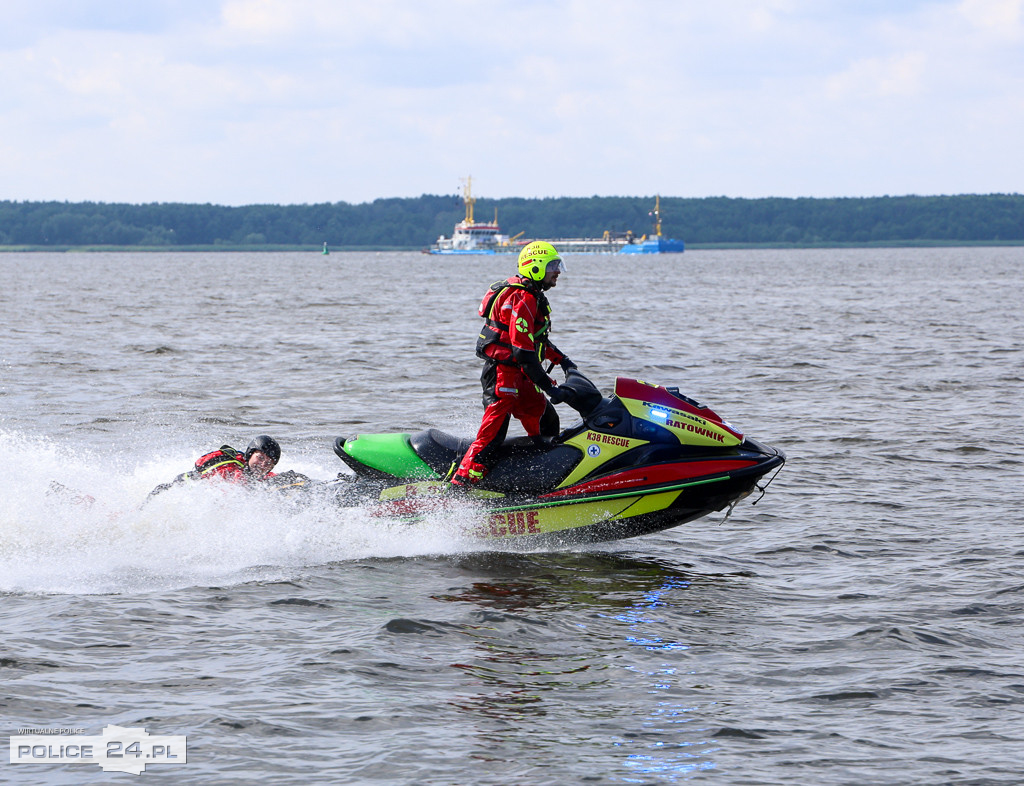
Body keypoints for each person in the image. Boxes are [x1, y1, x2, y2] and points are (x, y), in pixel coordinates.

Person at [452, 241, 578, 487]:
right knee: (492, 437)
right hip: (503, 375)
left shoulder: (530, 295)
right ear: (536, 268)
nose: (558, 271)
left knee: (546, 421)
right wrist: (549, 386)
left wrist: (564, 361)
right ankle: (460, 486)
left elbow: (537, 341)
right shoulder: (522, 298)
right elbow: (523, 352)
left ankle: (539, 477)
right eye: (553, 266)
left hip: (520, 376)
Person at [147, 435, 282, 498]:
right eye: (260, 458)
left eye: (269, 463)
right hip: (178, 489)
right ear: (250, 454)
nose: (263, 464)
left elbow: (276, 481)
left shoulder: (261, 476)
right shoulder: (231, 469)